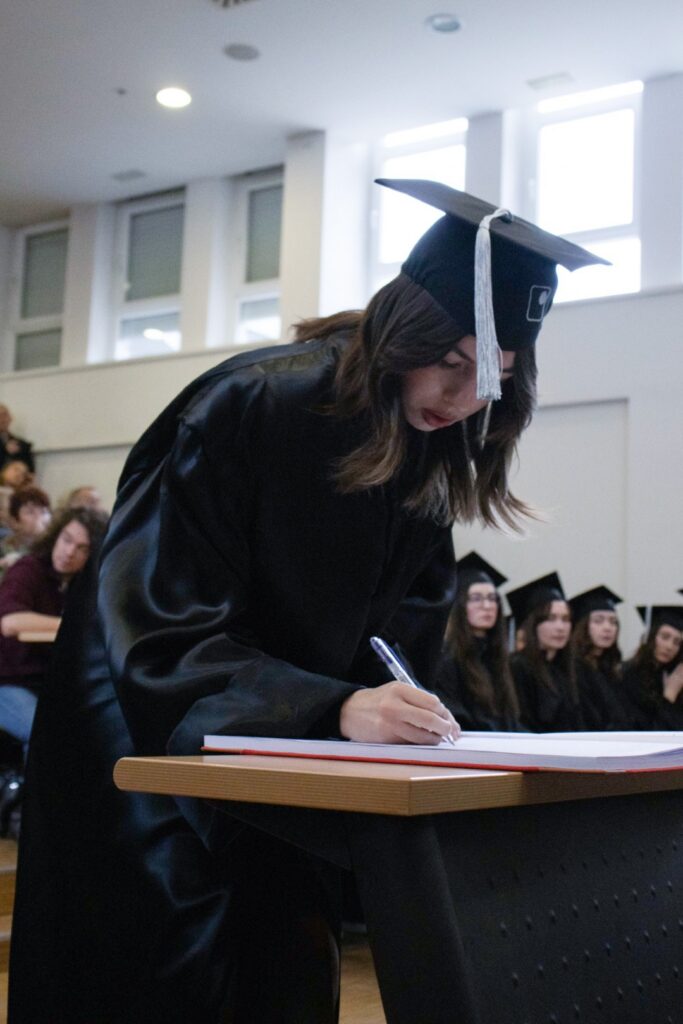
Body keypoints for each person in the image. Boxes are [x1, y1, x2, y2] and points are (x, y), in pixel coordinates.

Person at [10, 179, 604, 1023]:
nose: (466, 398)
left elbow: (400, 635)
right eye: (452, 363)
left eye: (494, 376)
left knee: (286, 967)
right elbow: (156, 623)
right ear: (406, 329)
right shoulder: (258, 399)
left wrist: (404, 713)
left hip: (286, 743)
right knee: (169, 976)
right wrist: (333, 707)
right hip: (145, 732)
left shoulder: (429, 445)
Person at [0, 506, 107, 756]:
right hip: (9, 680)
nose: (69, 552)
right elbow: (11, 622)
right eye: (66, 540)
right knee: (45, 734)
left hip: (49, 683)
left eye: (82, 548)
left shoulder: (85, 584)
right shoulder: (28, 568)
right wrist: (72, 624)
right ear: (55, 536)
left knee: (97, 730)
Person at [435, 551, 520, 730]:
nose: (487, 606)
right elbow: (458, 719)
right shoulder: (446, 660)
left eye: (492, 598)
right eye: (476, 598)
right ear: (460, 605)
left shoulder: (497, 657)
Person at [508, 572, 584, 732]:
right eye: (551, 618)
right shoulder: (518, 667)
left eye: (565, 619)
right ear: (533, 624)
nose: (560, 627)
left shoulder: (568, 669)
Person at [569, 585, 634, 729]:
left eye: (613, 622)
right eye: (598, 621)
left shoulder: (612, 670)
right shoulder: (575, 669)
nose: (608, 628)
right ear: (583, 625)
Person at [620, 606, 683, 728]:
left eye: (676, 642)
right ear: (651, 637)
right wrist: (669, 695)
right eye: (665, 637)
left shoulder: (673, 676)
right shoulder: (629, 675)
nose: (669, 646)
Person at [0, 486, 52, 580]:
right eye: (30, 512)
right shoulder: (3, 547)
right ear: (14, 522)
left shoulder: (51, 550)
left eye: (44, 512)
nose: (39, 517)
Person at [0, 404, 34, 474]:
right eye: (0, 416)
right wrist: (4, 450)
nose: (2, 419)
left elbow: (30, 471)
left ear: (10, 418)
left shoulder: (22, 445)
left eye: (5, 415)